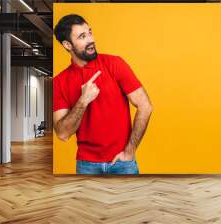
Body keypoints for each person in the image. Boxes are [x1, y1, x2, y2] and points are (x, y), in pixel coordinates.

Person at [53, 14, 153, 175]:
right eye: (82, 36)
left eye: (90, 33)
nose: (90, 39)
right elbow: (63, 134)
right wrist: (83, 100)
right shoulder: (60, 82)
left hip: (123, 164)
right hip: (86, 166)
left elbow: (145, 106)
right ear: (67, 44)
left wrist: (130, 151)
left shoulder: (114, 64)